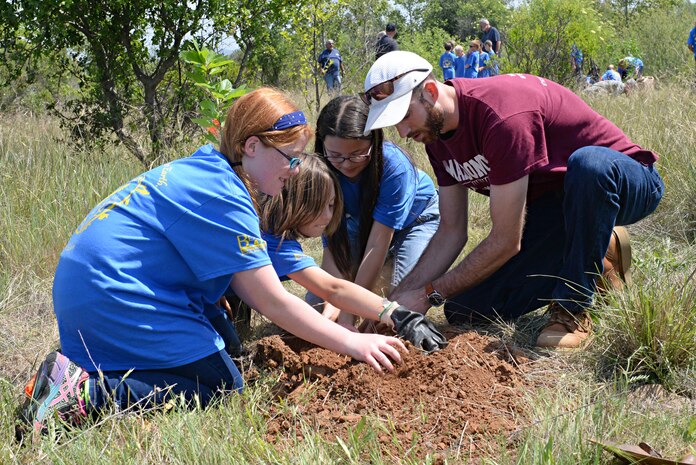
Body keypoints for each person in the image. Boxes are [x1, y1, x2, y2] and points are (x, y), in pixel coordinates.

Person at [17, 88, 409, 436]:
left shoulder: (207, 169)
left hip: (89, 293)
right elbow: (273, 301)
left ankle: (79, 373)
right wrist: (354, 342)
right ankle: (89, 393)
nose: (293, 171)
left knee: (225, 352)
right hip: (114, 298)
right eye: (289, 158)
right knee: (221, 389)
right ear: (252, 146)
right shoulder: (224, 195)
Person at [360, 51, 664, 349]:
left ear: (429, 91)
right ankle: (600, 253)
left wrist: (429, 294)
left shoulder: (501, 115)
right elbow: (451, 232)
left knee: (588, 165)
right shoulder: (436, 138)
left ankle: (573, 308)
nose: (402, 131)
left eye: (404, 115)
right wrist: (399, 301)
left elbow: (506, 240)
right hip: (555, 209)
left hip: (624, 182)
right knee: (463, 310)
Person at [256, 153, 446, 350]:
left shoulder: (275, 228)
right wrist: (397, 314)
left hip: (413, 222)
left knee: (389, 297)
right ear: (298, 203)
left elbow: (330, 287)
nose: (328, 216)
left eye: (331, 205)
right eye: (320, 207)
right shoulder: (272, 242)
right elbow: (328, 290)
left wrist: (335, 312)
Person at [312, 95, 441, 329]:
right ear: (322, 145)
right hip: (363, 226)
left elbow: (377, 243)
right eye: (336, 155)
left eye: (357, 154)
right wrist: (333, 300)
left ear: (375, 141)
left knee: (394, 303)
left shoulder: (395, 167)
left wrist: (349, 311)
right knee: (316, 304)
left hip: (415, 221)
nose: (347, 164)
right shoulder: (321, 169)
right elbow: (332, 242)